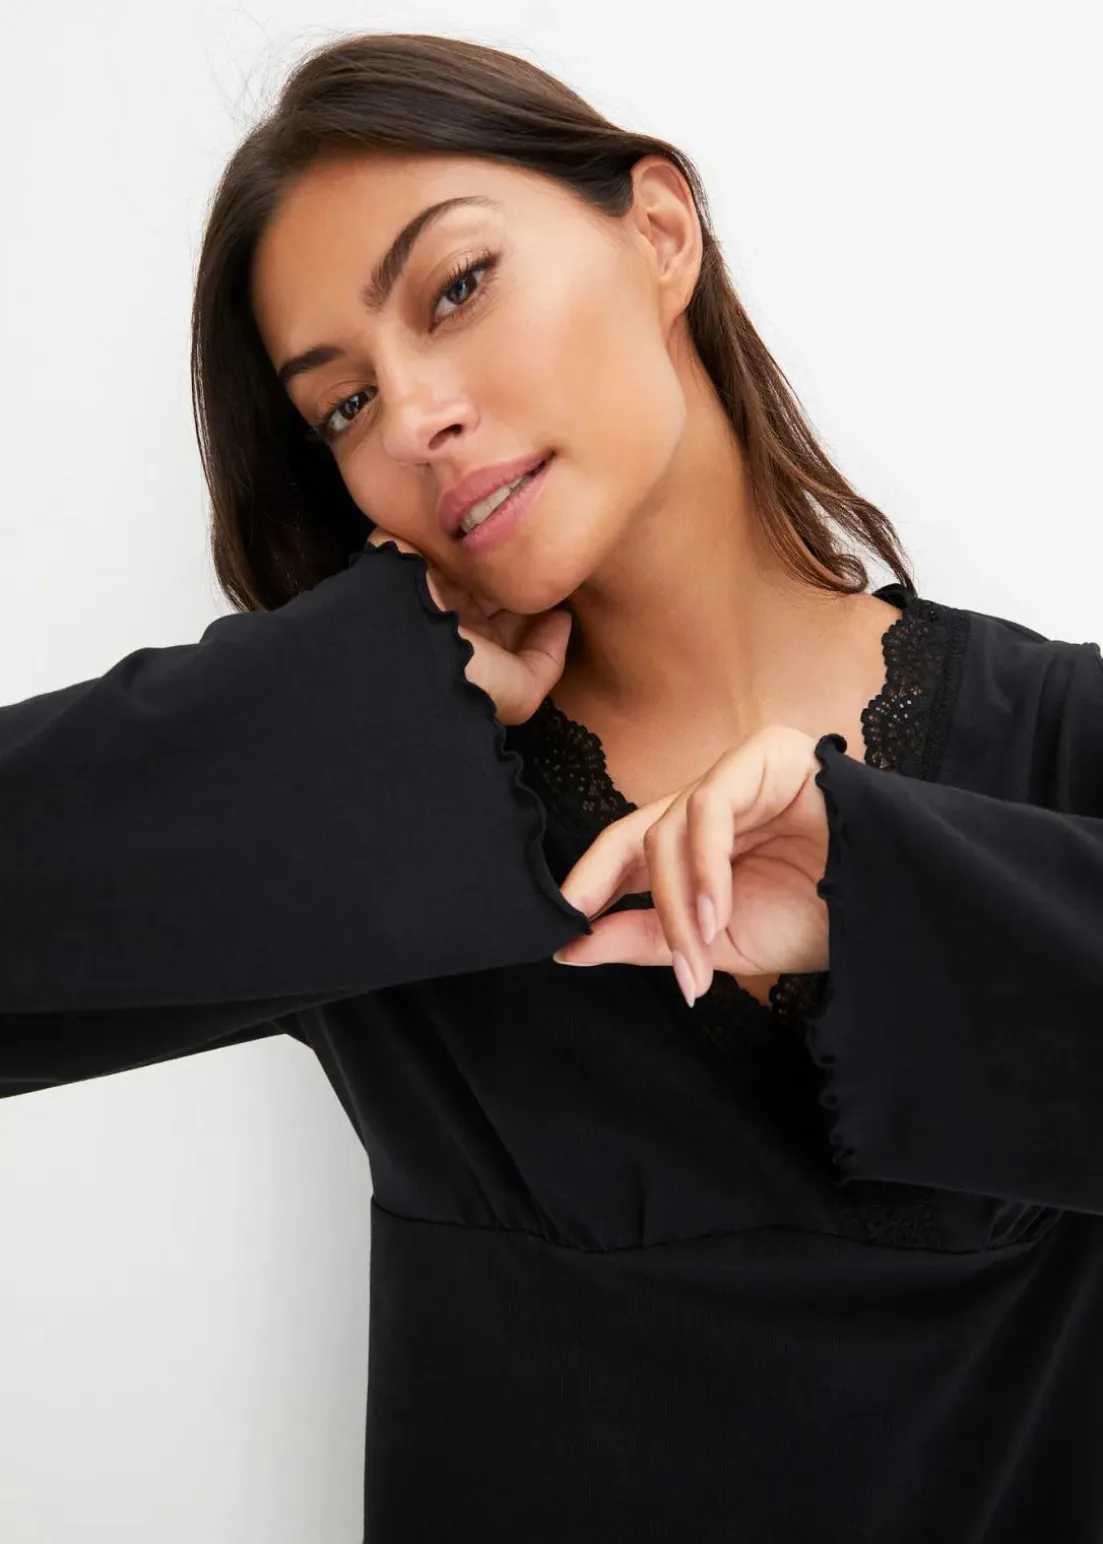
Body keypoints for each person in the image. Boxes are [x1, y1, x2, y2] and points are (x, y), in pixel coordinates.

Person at [2, 29, 1101, 1544]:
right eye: (342, 408)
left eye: (456, 288)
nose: (413, 418)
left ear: (658, 230)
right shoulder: (376, 813)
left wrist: (898, 894)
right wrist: (343, 695)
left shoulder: (1064, 746)